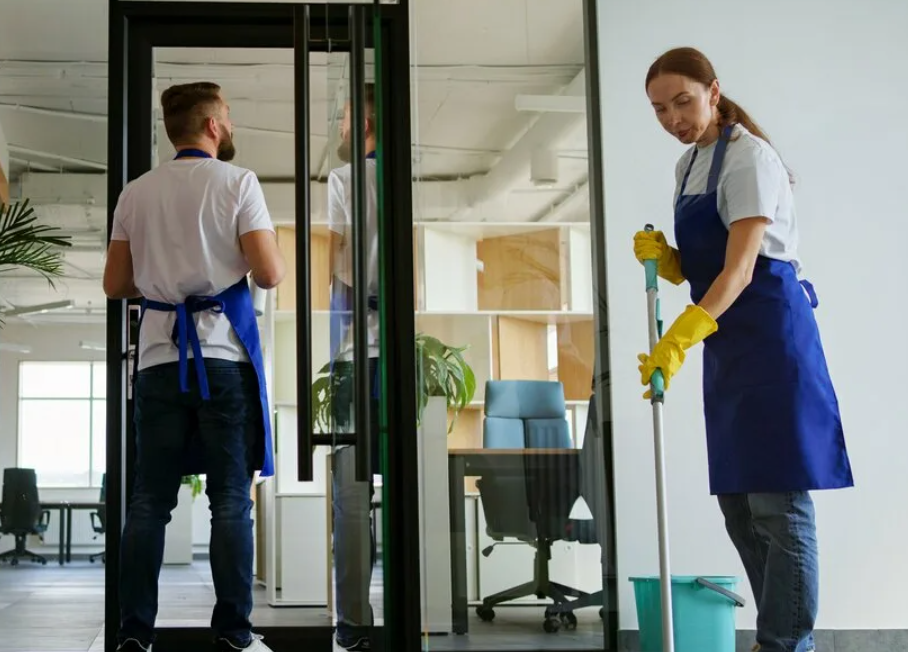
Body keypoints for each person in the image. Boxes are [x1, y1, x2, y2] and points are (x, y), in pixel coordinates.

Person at [634, 47, 853, 652]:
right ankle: (777, 636)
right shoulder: (688, 165)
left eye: (683, 100)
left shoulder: (749, 156)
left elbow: (742, 269)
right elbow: (707, 267)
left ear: (712, 91)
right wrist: (669, 261)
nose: (674, 117)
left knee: (779, 504)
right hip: (726, 337)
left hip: (769, 334)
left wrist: (678, 338)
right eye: (659, 109)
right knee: (738, 503)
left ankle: (785, 643)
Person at [102, 81, 285, 652]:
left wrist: (164, 285)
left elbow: (114, 284)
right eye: (226, 118)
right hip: (222, 360)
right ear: (212, 126)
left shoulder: (136, 192)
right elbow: (270, 273)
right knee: (230, 499)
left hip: (157, 362)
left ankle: (134, 633)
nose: (229, 127)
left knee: (149, 502)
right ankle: (233, 631)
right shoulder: (238, 184)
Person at [326, 83, 380, 652]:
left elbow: (339, 263)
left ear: (365, 121)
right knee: (401, 487)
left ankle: (354, 624)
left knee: (351, 495)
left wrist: (335, 339)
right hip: (396, 352)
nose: (339, 127)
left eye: (344, 118)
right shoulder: (400, 179)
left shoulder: (344, 180)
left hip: (354, 354)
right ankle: (415, 612)